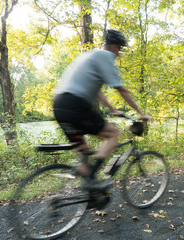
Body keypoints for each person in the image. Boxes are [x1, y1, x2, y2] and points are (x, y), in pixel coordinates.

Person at [53, 29, 150, 191]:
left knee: (84, 154)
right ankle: (92, 179)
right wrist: (141, 113)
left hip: (60, 106)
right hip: (76, 105)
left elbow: (97, 91)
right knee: (113, 133)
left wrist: (112, 109)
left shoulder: (89, 55)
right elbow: (121, 89)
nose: (119, 54)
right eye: (119, 49)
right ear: (115, 47)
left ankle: (88, 193)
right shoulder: (105, 56)